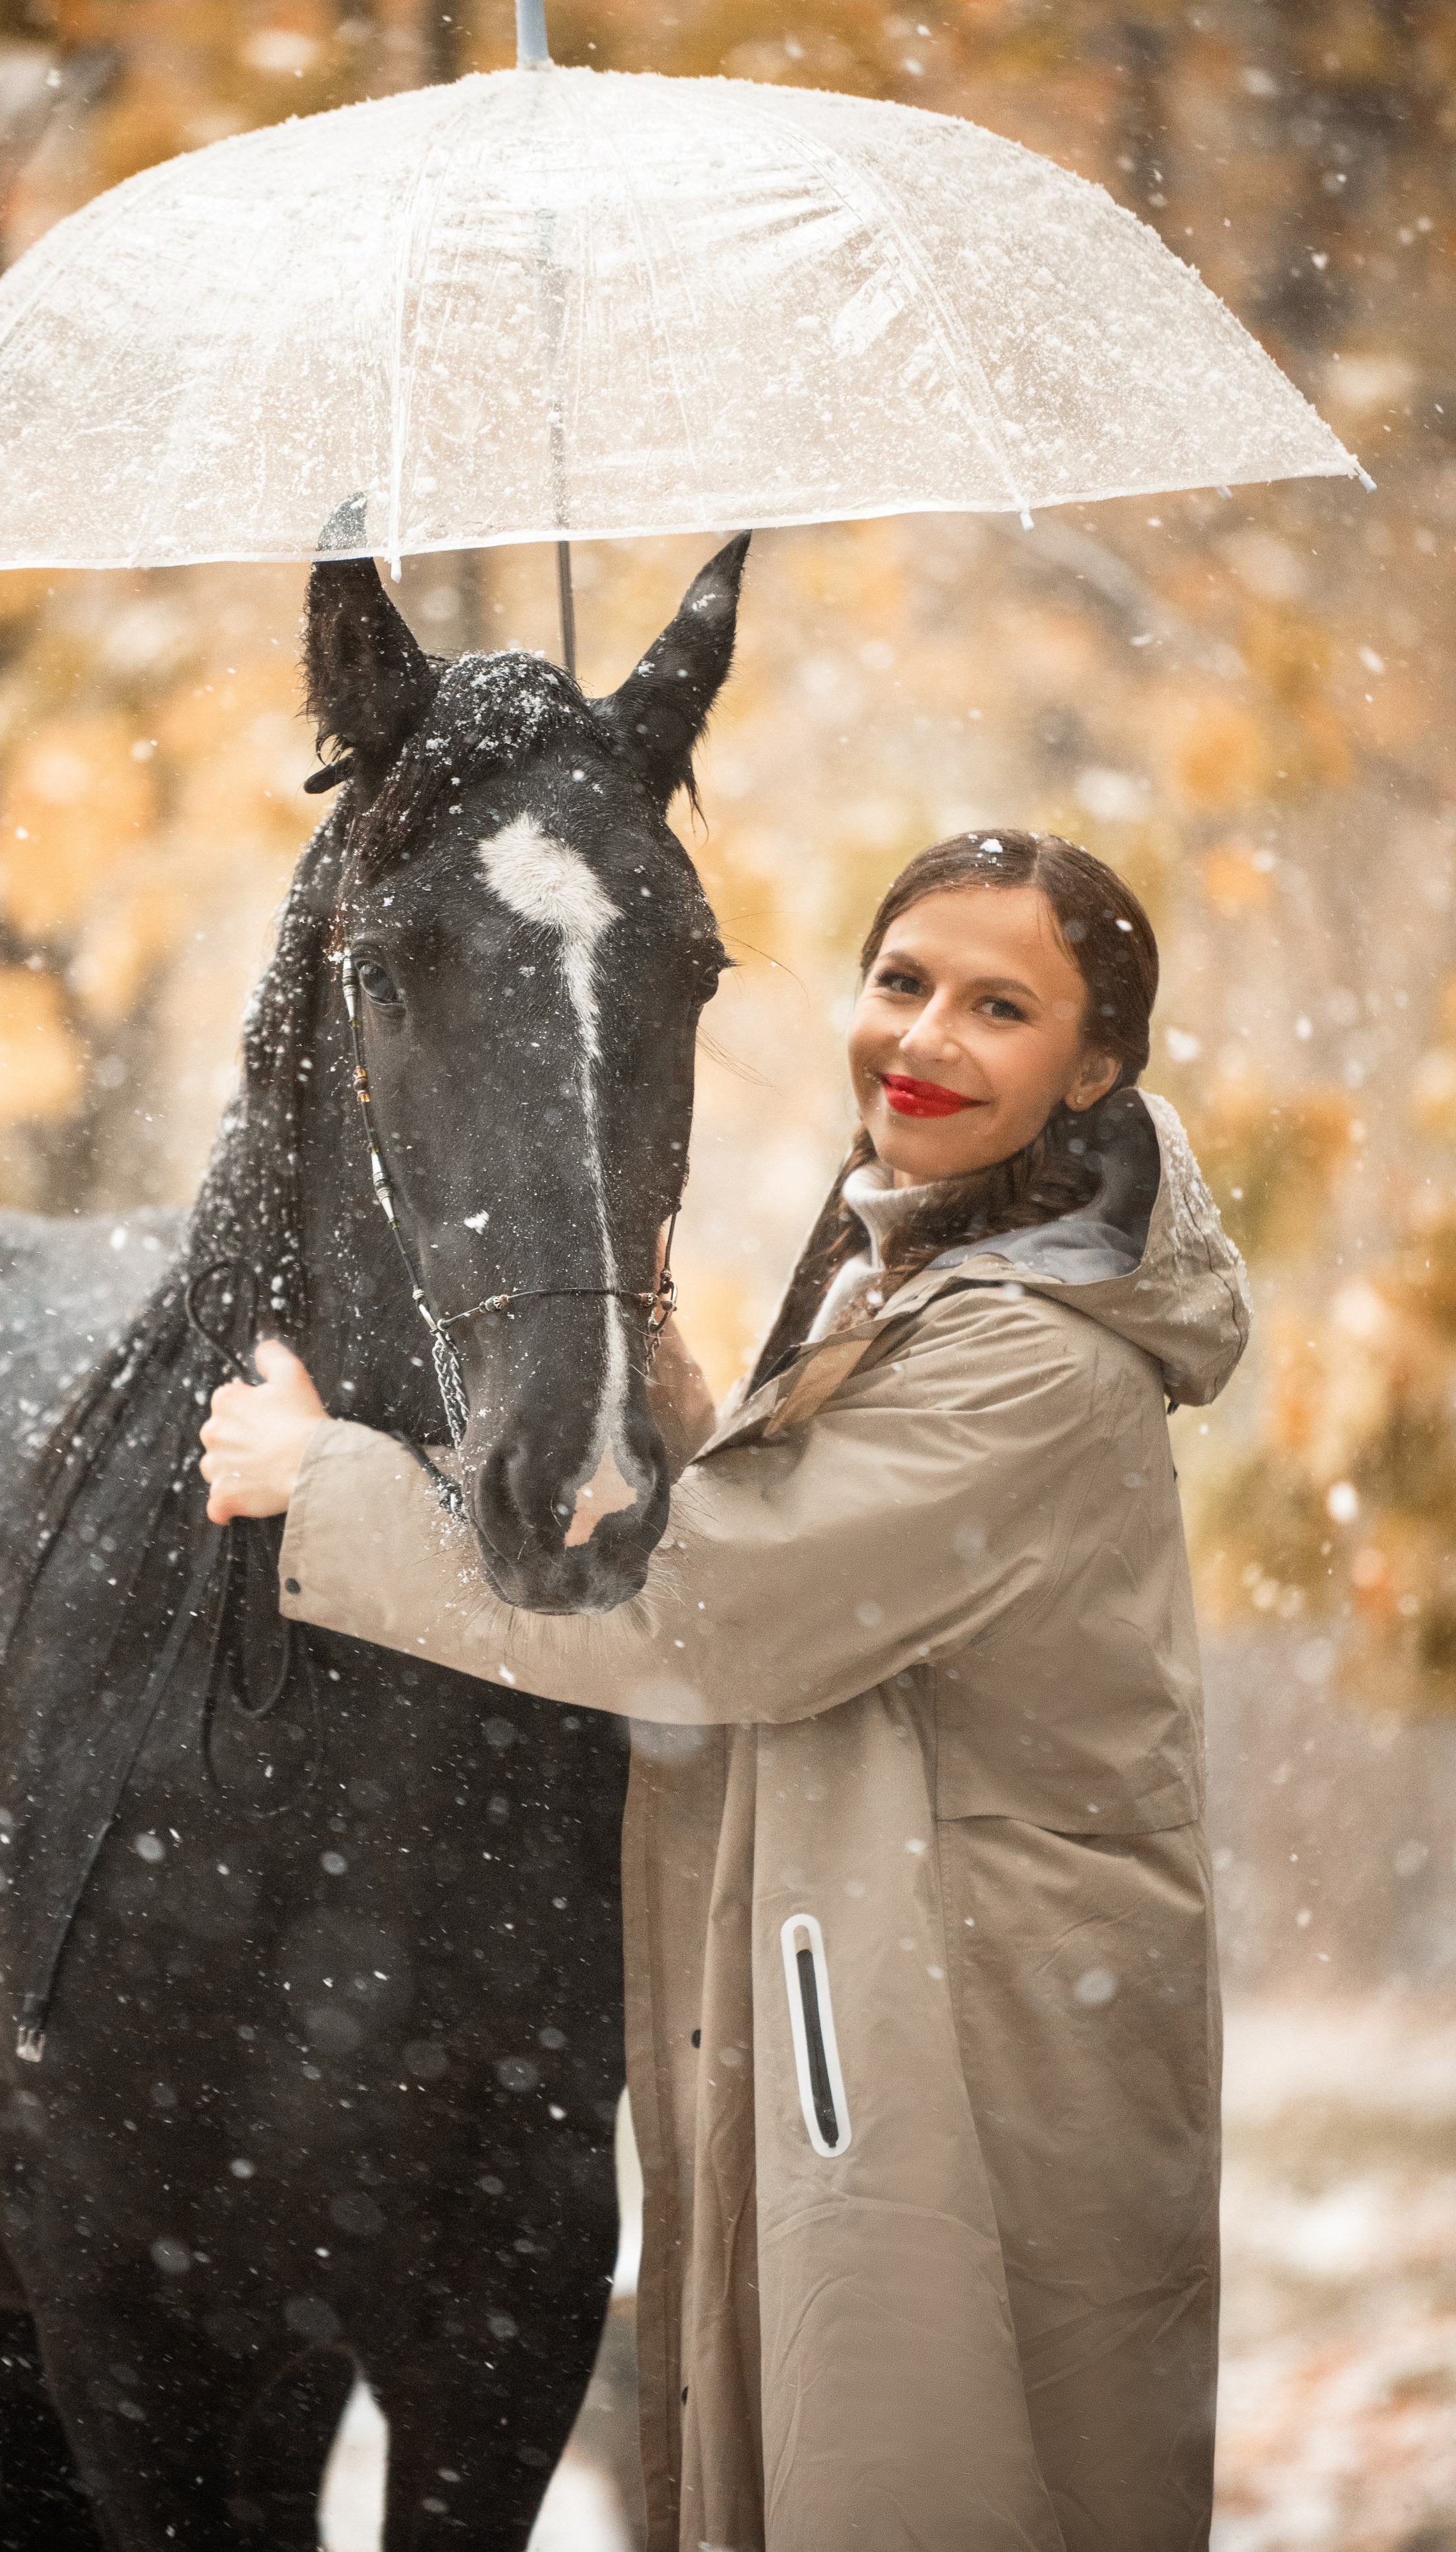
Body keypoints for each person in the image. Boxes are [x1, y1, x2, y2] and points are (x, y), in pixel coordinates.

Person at [199, 828, 1248, 2552]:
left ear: (1097, 1069)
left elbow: (723, 1610)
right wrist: (683, 1387)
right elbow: (831, 1536)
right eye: (901, 980)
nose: (923, 1037)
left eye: (1002, 1006)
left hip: (970, 2032)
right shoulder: (934, 1254)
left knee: (943, 2479)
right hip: (902, 1976)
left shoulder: (1041, 1352)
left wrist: (330, 1486)